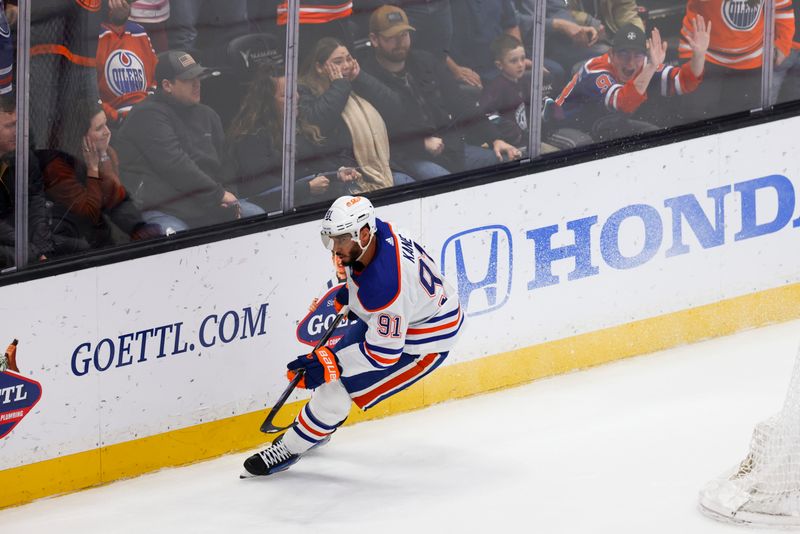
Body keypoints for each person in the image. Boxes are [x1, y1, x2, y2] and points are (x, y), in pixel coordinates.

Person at [242, 194, 463, 477]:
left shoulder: (385, 288)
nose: (335, 249)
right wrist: (354, 297)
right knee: (331, 378)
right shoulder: (381, 231)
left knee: (336, 390)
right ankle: (317, 430)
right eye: (332, 240)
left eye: (342, 240)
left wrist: (328, 365)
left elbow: (383, 354)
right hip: (409, 315)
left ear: (364, 233)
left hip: (423, 342)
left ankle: (292, 447)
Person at [362, 5, 521, 180]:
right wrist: (420, 145)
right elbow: (378, 135)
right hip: (407, 158)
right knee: (444, 183)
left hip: (450, 149)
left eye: (404, 35)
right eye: (391, 38)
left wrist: (494, 139)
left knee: (506, 159)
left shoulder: (425, 61)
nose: (400, 42)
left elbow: (462, 105)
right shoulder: (368, 79)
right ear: (374, 39)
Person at [115, 50, 264, 231]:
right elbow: (174, 164)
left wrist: (229, 196)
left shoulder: (208, 115)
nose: (197, 84)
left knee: (256, 216)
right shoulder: (147, 115)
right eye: (188, 79)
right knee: (174, 235)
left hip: (205, 204)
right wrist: (217, 195)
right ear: (167, 85)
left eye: (199, 77)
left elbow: (226, 163)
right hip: (163, 208)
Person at [226, 63, 370, 211]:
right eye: (286, 95)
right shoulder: (251, 136)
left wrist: (337, 173)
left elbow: (312, 164)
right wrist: (305, 188)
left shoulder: (300, 124)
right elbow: (259, 187)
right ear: (268, 101)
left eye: (295, 91)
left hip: (312, 199)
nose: (296, 97)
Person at [552, 21, 710, 143]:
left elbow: (684, 82)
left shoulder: (645, 65)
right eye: (623, 54)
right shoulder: (596, 70)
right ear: (611, 54)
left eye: (637, 55)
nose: (630, 63)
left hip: (601, 124)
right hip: (562, 127)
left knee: (656, 135)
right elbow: (623, 102)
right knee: (585, 144)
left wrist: (699, 55)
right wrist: (650, 67)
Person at [298, 37, 414, 195]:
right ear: (319, 68)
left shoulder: (356, 83)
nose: (346, 66)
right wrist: (339, 85)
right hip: (342, 177)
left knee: (407, 184)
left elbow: (395, 109)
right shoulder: (306, 92)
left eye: (348, 59)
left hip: (381, 168)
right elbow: (317, 123)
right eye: (338, 62)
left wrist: (361, 78)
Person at [40, 99, 161, 251]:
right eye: (99, 128)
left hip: (97, 235)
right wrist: (92, 168)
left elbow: (115, 197)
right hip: (70, 245)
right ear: (81, 137)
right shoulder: (56, 167)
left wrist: (139, 228)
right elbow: (90, 212)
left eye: (106, 124)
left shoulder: (105, 153)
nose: (107, 132)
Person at [679, 0, 795, 119]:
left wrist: (783, 44)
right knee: (697, 115)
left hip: (751, 57)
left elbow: (782, 7)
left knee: (743, 117)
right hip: (704, 52)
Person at [0, 94, 54, 269]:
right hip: (10, 242)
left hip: (24, 239)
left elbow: (35, 200)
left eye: (18, 124)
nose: (17, 131)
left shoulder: (25, 157)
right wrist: (33, 251)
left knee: (79, 248)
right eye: (9, 126)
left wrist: (41, 244)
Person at [96, 0, 159, 128]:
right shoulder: (94, 35)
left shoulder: (139, 31)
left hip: (147, 114)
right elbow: (89, 94)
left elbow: (155, 78)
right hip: (113, 123)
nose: (122, 4)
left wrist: (149, 107)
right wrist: (114, 117)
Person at [480, 34, 531, 147]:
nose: (520, 65)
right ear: (499, 65)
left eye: (523, 59)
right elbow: (486, 114)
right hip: (509, 145)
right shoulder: (496, 87)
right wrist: (511, 130)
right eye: (514, 61)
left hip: (527, 141)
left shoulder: (524, 81)